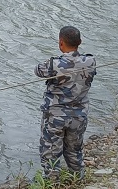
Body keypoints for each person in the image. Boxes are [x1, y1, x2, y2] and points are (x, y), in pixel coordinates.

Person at [35, 26, 96, 178]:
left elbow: (37, 70)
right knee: (74, 149)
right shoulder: (90, 61)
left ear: (61, 43)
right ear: (80, 42)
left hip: (55, 116)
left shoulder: (54, 64)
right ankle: (78, 178)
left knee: (50, 150)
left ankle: (52, 183)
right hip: (79, 115)